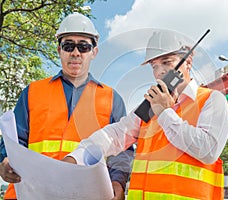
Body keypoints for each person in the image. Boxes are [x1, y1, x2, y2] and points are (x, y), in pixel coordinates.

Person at [63, 30, 228, 199]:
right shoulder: (148, 107)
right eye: (154, 66)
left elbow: (208, 150)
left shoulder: (212, 100)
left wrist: (165, 113)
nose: (159, 72)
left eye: (166, 62)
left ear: (188, 62)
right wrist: (77, 158)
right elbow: (114, 135)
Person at [0, 12, 133, 200]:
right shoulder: (32, 92)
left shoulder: (112, 99)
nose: (76, 53)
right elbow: (12, 141)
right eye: (68, 45)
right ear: (59, 50)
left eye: (84, 46)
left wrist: (118, 183)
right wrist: (4, 161)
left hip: (85, 194)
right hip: (32, 193)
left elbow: (122, 151)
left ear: (94, 52)